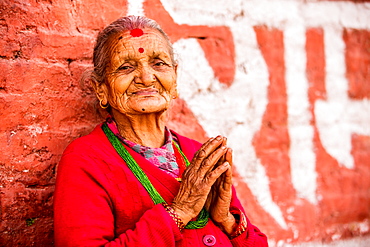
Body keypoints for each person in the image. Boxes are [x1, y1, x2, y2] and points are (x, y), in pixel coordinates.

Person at [53, 16, 268, 247]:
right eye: (126, 67)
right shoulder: (86, 160)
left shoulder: (196, 153)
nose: (146, 78)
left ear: (174, 78)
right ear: (102, 88)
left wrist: (226, 220)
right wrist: (180, 211)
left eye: (159, 63)